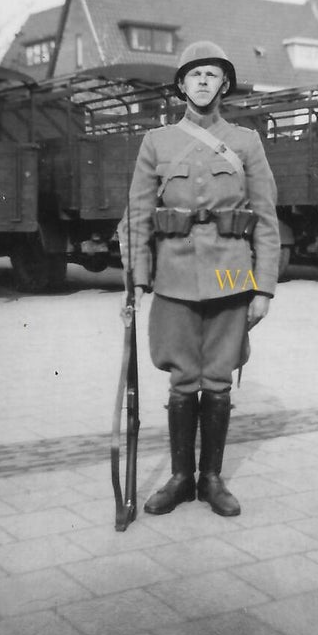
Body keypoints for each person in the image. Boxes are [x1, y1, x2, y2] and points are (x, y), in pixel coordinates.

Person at [119, 40, 280, 517]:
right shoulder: (157, 142)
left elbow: (267, 219)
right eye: (195, 75)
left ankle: (211, 478)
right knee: (182, 379)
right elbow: (138, 216)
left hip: (231, 276)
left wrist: (264, 287)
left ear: (224, 84)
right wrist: (137, 282)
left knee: (218, 378)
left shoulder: (247, 142)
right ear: (181, 85)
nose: (204, 82)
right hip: (173, 278)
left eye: (212, 75)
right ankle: (180, 477)